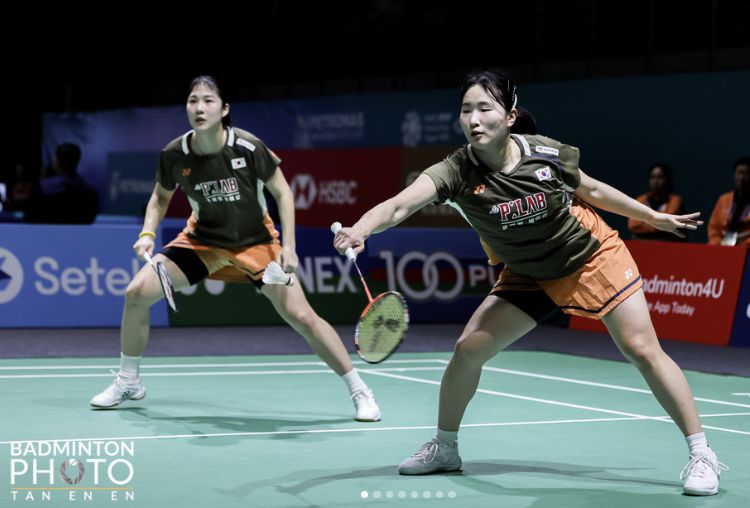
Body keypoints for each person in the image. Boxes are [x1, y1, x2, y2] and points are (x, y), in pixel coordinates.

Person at [333, 69, 727, 495]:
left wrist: (650, 216)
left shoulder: (546, 153)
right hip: (529, 272)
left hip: (589, 257)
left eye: (485, 108)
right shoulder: (456, 170)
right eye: (466, 110)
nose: (474, 119)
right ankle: (445, 448)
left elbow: (592, 189)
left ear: (510, 115)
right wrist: (361, 229)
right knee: (467, 351)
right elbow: (399, 206)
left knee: (641, 349)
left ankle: (702, 453)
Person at [90, 76, 380, 422]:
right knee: (136, 293)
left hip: (256, 242)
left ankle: (360, 391)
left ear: (224, 109)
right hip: (202, 241)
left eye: (208, 101)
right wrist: (147, 233)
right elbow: (160, 197)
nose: (199, 108)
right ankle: (129, 381)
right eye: (193, 100)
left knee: (302, 317)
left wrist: (289, 246)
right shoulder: (174, 154)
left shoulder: (248, 147)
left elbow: (283, 193)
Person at [23, 143, 99, 224]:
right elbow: (90, 219)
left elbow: (29, 218)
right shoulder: (90, 192)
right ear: (77, 161)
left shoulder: (41, 187)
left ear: (56, 160)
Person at [627, 162, 685, 241]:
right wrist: (657, 225)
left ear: (668, 179)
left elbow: (667, 223)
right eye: (652, 177)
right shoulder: (641, 199)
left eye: (660, 177)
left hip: (667, 243)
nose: (656, 181)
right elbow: (633, 225)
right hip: (641, 243)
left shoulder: (675, 200)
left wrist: (645, 223)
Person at [707, 156, 750, 246]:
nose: (741, 178)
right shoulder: (724, 199)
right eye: (739, 173)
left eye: (746, 174)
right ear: (734, 175)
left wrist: (743, 245)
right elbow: (714, 227)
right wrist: (717, 242)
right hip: (723, 243)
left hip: (746, 246)